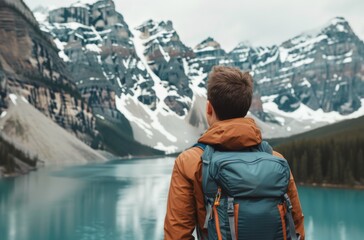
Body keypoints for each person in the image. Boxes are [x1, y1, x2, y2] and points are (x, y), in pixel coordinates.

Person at [164, 66, 305, 240]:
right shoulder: (276, 159)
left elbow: (176, 235)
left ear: (209, 108)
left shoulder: (190, 162)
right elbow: (296, 227)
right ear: (245, 109)